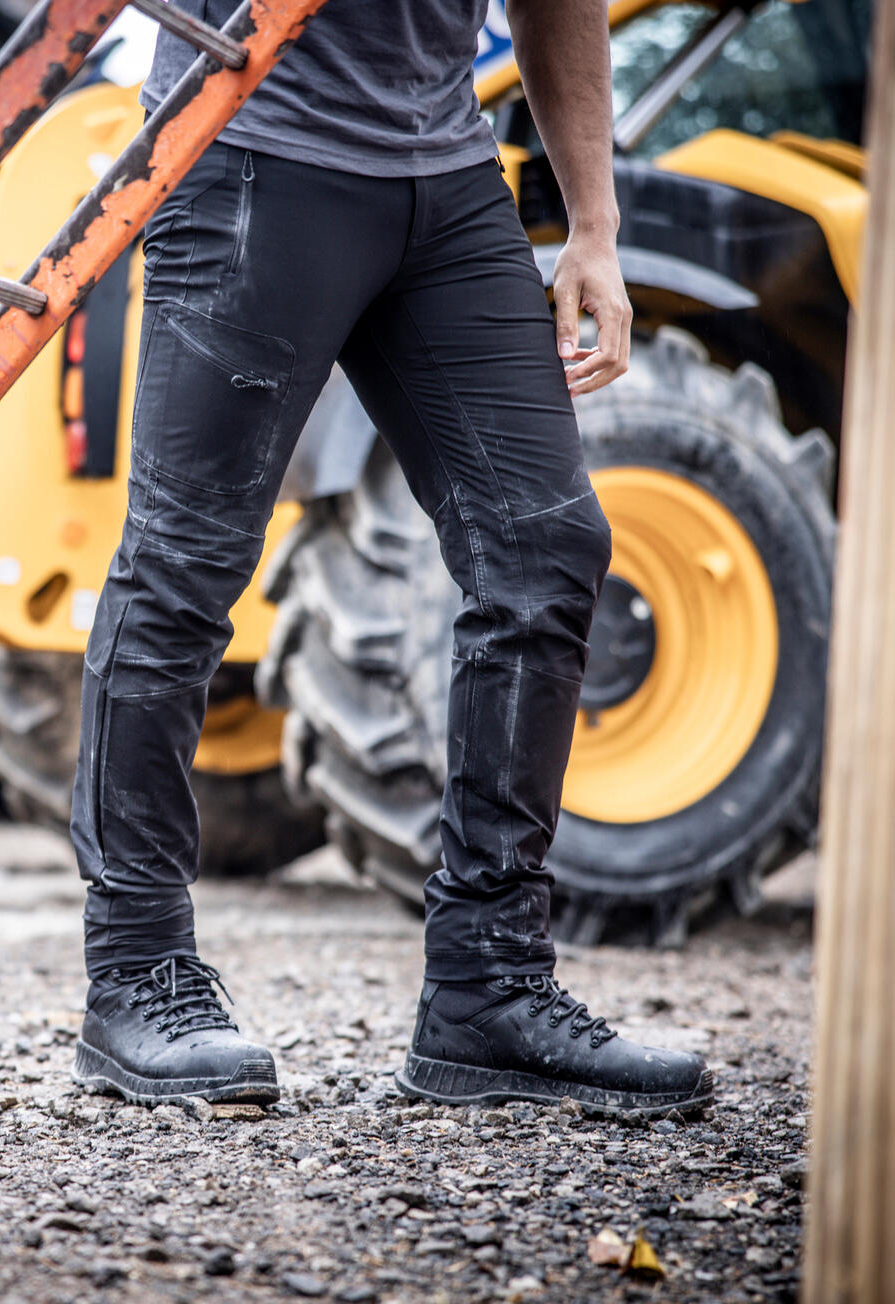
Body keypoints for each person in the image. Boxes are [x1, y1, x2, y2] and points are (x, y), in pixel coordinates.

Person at [70, 0, 713, 1118]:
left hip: (446, 170)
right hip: (252, 146)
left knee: (545, 545)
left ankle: (487, 988)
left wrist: (594, 226)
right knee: (185, 563)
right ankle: (136, 974)